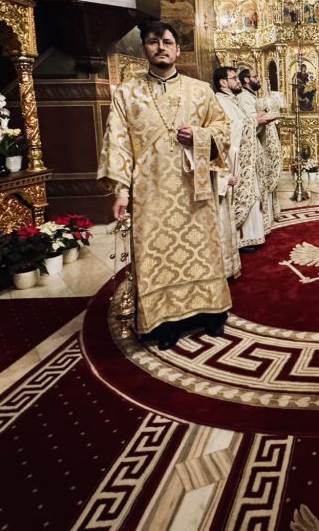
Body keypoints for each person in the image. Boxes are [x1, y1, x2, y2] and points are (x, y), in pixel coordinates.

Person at [98, 20, 232, 350]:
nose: (161, 47)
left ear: (177, 49)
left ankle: (210, 312)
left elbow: (224, 129)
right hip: (150, 190)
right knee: (156, 254)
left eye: (167, 42)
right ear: (144, 47)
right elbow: (117, 143)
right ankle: (165, 321)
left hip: (193, 189)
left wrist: (200, 136)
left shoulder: (200, 90)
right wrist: (121, 191)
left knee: (201, 250)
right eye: (153, 41)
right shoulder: (127, 93)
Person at [213, 66, 266, 252]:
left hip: (245, 155)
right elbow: (230, 128)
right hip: (235, 157)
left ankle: (252, 236)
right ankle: (243, 238)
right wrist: (255, 121)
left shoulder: (232, 100)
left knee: (252, 192)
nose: (238, 81)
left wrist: (255, 120)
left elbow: (242, 122)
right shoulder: (220, 101)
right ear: (223, 82)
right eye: (234, 78)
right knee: (242, 193)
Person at [238, 68, 279, 230]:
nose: (258, 80)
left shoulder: (251, 96)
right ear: (246, 79)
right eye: (255, 77)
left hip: (261, 143)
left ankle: (267, 219)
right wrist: (265, 117)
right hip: (254, 145)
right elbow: (251, 121)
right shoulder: (244, 97)